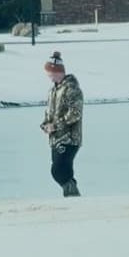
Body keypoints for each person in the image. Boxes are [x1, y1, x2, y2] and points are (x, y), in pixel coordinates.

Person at [41, 51, 83, 197]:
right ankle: (71, 195)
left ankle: (73, 195)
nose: (48, 76)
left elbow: (75, 113)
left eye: (50, 72)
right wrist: (45, 124)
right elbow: (49, 112)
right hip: (55, 138)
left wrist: (56, 125)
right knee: (61, 171)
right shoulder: (53, 90)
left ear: (57, 72)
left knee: (58, 170)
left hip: (70, 138)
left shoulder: (72, 89)